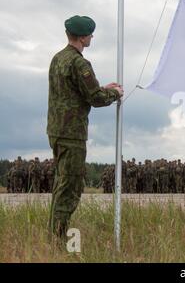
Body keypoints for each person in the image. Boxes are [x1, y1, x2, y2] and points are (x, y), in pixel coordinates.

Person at [47, 15, 124, 240]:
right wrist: (114, 93)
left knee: (61, 184)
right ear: (82, 38)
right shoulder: (79, 63)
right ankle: (58, 239)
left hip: (56, 131)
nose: (92, 37)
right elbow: (95, 98)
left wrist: (102, 88)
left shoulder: (58, 59)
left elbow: (73, 91)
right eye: (90, 33)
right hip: (72, 133)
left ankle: (54, 234)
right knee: (70, 187)